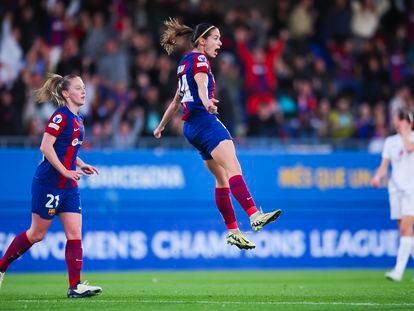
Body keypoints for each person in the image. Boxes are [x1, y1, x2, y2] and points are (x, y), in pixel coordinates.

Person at [154, 18, 282, 250]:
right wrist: (208, 104)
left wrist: (161, 125)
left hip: (190, 128)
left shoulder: (184, 63)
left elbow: (176, 101)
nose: (220, 43)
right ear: (202, 41)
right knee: (234, 168)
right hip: (204, 121)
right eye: (216, 38)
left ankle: (233, 231)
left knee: (222, 179)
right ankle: (254, 215)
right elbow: (202, 86)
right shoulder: (201, 59)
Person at [0, 74, 102, 298]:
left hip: (68, 185)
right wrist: (65, 170)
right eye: (78, 88)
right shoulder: (60, 117)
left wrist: (81, 164)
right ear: (66, 94)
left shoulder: (79, 119)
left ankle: (74, 286)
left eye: (84, 87)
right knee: (36, 234)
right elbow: (45, 147)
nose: (84, 91)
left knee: (75, 232)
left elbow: (68, 150)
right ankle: (1, 267)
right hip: (49, 183)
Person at [371, 109, 414, 281]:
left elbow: (410, 148)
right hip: (395, 189)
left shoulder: (411, 138)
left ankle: (398, 271)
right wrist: (377, 177)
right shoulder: (390, 141)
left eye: (401, 121)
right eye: (397, 121)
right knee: (405, 231)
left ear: (409, 123)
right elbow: (384, 164)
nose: (398, 124)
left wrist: (405, 134)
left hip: (411, 189)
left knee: (406, 228)